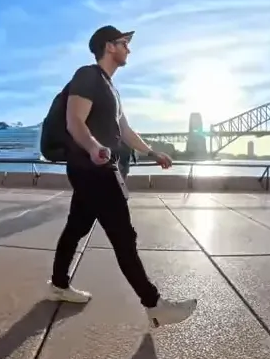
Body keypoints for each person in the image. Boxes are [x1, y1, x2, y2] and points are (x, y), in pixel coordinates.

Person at [48, 26, 198, 328]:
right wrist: (93, 148)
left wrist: (152, 152)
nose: (129, 48)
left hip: (95, 169)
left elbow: (126, 131)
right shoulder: (87, 76)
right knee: (123, 237)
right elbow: (74, 120)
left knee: (76, 227)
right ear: (109, 46)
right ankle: (154, 304)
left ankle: (59, 284)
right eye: (124, 43)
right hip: (95, 170)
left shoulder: (110, 89)